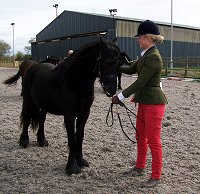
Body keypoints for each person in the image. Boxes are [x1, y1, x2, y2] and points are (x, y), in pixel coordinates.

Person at [112, 20, 167, 188]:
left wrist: (120, 96)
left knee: (153, 140)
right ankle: (139, 166)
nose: (138, 41)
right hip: (143, 101)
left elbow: (140, 82)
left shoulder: (154, 58)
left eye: (140, 38)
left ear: (148, 38)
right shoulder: (145, 54)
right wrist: (115, 66)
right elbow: (130, 69)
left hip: (154, 103)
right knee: (140, 136)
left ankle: (156, 176)